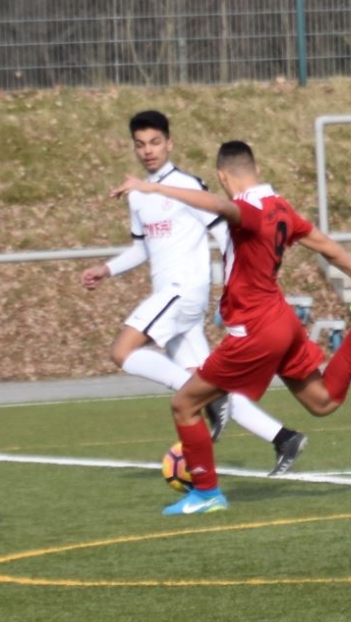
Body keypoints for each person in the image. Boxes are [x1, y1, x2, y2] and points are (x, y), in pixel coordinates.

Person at [111, 141, 351, 515]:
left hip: (255, 329)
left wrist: (153, 187)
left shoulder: (248, 210)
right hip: (282, 321)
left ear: (222, 176)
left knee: (184, 404)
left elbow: (220, 206)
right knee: (323, 401)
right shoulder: (280, 208)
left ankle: (206, 493)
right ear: (257, 169)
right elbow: (326, 246)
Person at [82, 110, 310, 475]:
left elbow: (226, 233)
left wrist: (243, 284)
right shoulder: (138, 195)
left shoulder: (187, 186)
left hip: (183, 291)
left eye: (155, 142)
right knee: (210, 382)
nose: (148, 150)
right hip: (171, 298)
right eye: (140, 144)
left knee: (122, 351)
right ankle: (284, 438)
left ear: (169, 143)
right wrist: (106, 269)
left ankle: (213, 402)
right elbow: (142, 248)